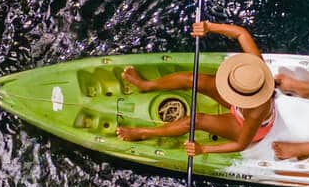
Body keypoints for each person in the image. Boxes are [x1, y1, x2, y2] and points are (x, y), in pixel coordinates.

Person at [116, 20, 277, 156]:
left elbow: (241, 144)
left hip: (244, 124)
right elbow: (242, 34)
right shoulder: (256, 69)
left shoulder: (257, 112)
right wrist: (209, 27)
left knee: (196, 120)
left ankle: (144, 133)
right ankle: (146, 85)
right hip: (242, 104)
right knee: (193, 79)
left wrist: (203, 149)